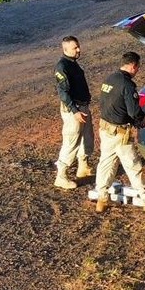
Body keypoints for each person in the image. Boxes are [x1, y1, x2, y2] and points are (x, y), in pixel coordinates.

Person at [94, 51, 145, 213]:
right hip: (120, 133)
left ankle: (102, 199)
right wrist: (141, 121)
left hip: (106, 129)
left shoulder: (110, 79)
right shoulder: (127, 85)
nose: (138, 71)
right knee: (133, 165)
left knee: (106, 164)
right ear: (133, 66)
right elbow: (133, 111)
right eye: (138, 68)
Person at [53, 36, 94, 190]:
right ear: (65, 49)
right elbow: (63, 92)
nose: (78, 50)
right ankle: (61, 176)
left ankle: (83, 166)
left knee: (87, 138)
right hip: (74, 109)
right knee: (71, 141)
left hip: (82, 107)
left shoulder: (73, 64)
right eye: (75, 47)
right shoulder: (62, 66)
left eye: (78, 46)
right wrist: (74, 111)